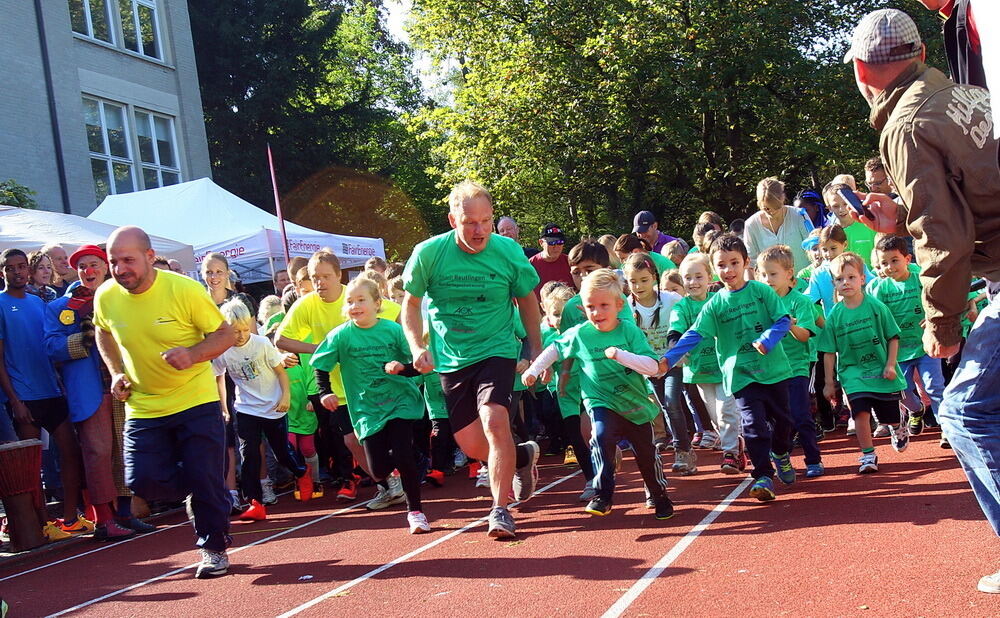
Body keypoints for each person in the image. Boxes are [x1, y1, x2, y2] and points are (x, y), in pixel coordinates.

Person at [846, 8, 1000, 593]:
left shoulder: (904, 125)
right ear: (920, 55)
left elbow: (947, 238)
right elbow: (965, 204)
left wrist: (943, 323)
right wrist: (901, 220)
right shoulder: (958, 91)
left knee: (964, 413)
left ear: (862, 71)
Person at [401, 181, 543, 539]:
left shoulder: (507, 251)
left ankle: (500, 510)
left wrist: (535, 348)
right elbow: (411, 305)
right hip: (452, 360)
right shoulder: (429, 254)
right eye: (470, 223)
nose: (480, 231)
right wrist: (418, 346)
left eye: (486, 221)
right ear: (453, 220)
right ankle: (523, 457)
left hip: (497, 349)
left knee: (496, 421)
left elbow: (527, 300)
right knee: (472, 445)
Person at [93, 226, 235, 579]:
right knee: (141, 482)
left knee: (206, 479)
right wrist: (115, 372)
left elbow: (225, 334)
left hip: (195, 399)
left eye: (128, 260)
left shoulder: (183, 290)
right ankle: (197, 488)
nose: (120, 268)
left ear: (149, 256)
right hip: (144, 405)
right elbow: (102, 331)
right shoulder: (106, 296)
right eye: (114, 262)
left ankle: (213, 548)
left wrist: (193, 353)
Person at [523, 269, 674, 520]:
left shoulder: (629, 332)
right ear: (583, 308)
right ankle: (602, 494)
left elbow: (652, 366)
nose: (597, 313)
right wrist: (534, 368)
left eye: (604, 305)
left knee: (646, 456)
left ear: (618, 305)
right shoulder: (582, 333)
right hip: (601, 401)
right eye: (591, 306)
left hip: (634, 403)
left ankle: (658, 494)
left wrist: (621, 355)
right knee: (600, 438)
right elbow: (555, 349)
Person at [661, 234, 796, 502]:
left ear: (746, 263)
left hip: (774, 371)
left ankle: (780, 452)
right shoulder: (715, 304)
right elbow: (694, 334)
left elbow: (783, 320)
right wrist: (668, 359)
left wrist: (767, 339)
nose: (729, 270)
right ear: (714, 269)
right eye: (722, 265)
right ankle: (762, 476)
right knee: (753, 426)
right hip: (741, 375)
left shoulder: (761, 291)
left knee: (785, 423)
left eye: (734, 263)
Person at [314, 277, 432, 534]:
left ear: (377, 303)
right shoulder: (341, 336)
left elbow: (417, 368)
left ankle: (416, 512)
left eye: (361, 300)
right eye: (350, 301)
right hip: (366, 408)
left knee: (402, 454)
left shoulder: (393, 330)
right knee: (378, 468)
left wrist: (402, 369)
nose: (355, 306)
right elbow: (320, 366)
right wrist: (325, 393)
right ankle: (414, 458)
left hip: (399, 400)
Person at [44, 245, 142, 541]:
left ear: (106, 268)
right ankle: (104, 520)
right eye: (83, 265)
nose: (89, 270)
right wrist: (84, 337)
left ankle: (126, 513)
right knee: (98, 453)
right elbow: (50, 348)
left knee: (126, 451)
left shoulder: (123, 299)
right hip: (90, 392)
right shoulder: (60, 307)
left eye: (95, 264)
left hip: (123, 386)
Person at [0, 249, 88, 539]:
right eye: (11, 268)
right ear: (3, 272)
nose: (18, 272)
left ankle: (70, 517)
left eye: (21, 267)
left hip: (51, 390)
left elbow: (51, 346)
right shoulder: (0, 304)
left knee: (71, 451)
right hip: (24, 397)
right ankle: (42, 524)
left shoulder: (39, 303)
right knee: (33, 464)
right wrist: (14, 400)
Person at [213, 299, 311, 521]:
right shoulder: (223, 350)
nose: (241, 335)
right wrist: (223, 407)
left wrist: (285, 396)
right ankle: (255, 502)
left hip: (274, 406)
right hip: (246, 408)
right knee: (248, 454)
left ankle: (302, 471)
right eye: (235, 331)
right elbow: (218, 378)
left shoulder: (261, 344)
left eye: (245, 329)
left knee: (281, 452)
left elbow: (281, 373)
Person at [817, 252, 908, 470]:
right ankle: (868, 455)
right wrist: (829, 382)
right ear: (833, 283)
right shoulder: (835, 316)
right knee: (860, 413)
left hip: (881, 370)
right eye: (839, 279)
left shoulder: (876, 307)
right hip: (853, 373)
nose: (845, 283)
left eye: (851, 277)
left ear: (862, 279)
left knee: (888, 417)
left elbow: (893, 337)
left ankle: (898, 424)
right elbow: (828, 351)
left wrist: (889, 364)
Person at [756, 246, 825, 478]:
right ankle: (780, 457)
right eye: (763, 275)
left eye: (773, 274)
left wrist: (790, 324)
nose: (768, 280)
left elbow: (805, 335)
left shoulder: (800, 302)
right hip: (771, 370)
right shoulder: (760, 302)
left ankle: (813, 459)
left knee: (800, 414)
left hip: (798, 366)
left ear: (789, 274)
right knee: (776, 419)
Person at [672, 253, 744, 475]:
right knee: (716, 418)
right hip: (699, 371)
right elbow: (674, 331)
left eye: (698, 276)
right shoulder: (681, 307)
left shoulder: (718, 300)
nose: (693, 282)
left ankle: (731, 454)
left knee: (726, 410)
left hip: (724, 368)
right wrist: (676, 351)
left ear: (709, 277)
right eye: (687, 278)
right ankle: (738, 444)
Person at [868, 235, 946, 437]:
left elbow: (938, 298)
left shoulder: (920, 277)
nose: (889, 267)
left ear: (907, 259)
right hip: (898, 351)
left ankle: (948, 428)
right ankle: (916, 410)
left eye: (894, 261)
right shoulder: (880, 288)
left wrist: (931, 318)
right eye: (884, 263)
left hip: (925, 344)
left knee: (934, 386)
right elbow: (877, 318)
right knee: (902, 391)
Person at [621, 253, 694, 472]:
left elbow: (691, 319)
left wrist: (684, 350)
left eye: (644, 280)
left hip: (672, 362)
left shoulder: (671, 300)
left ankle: (683, 451)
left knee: (672, 402)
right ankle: (680, 446)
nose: (639, 285)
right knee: (662, 406)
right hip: (649, 366)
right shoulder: (627, 307)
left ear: (654, 277)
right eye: (633, 281)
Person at [742, 177, 812, 273]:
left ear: (783, 198)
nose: (772, 212)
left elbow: (813, 246)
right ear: (759, 204)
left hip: (805, 281)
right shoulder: (751, 225)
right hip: (770, 286)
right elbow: (750, 264)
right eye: (766, 208)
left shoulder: (800, 215)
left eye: (776, 207)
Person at [822, 182, 878, 266]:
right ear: (829, 208)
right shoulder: (830, 233)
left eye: (845, 204)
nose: (841, 209)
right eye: (836, 206)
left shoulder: (869, 225)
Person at [529, 223, 574, 297]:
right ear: (541, 242)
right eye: (552, 242)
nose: (556, 247)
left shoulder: (571, 262)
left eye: (560, 242)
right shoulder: (531, 265)